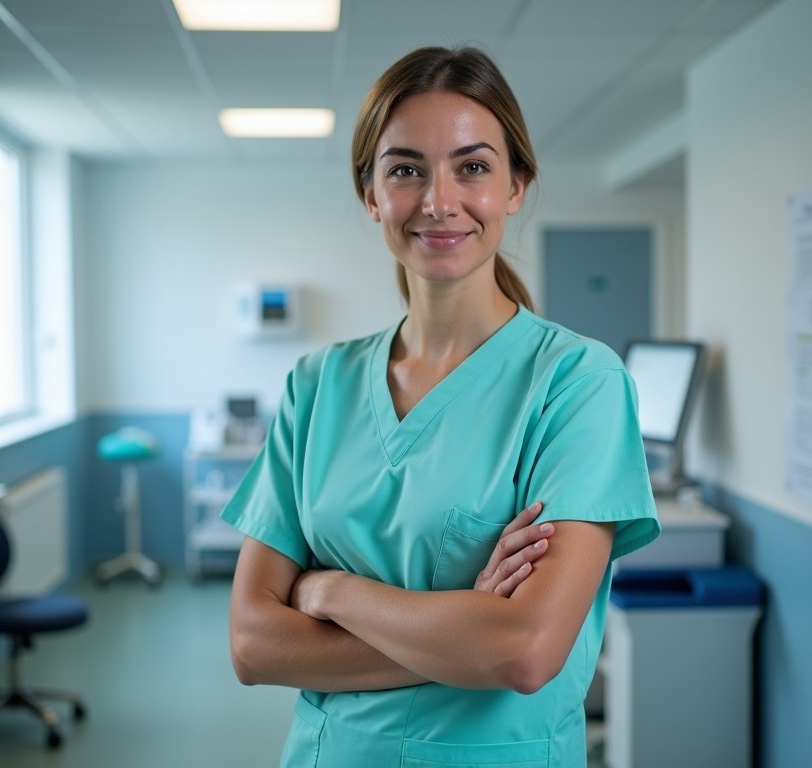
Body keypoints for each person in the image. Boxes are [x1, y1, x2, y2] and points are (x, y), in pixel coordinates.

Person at [222, 45, 660, 767]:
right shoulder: (317, 385)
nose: (438, 200)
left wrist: (329, 589)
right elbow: (251, 642)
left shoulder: (577, 383)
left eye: (473, 167)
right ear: (370, 195)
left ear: (516, 186)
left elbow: (523, 652)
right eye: (405, 170)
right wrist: (463, 635)